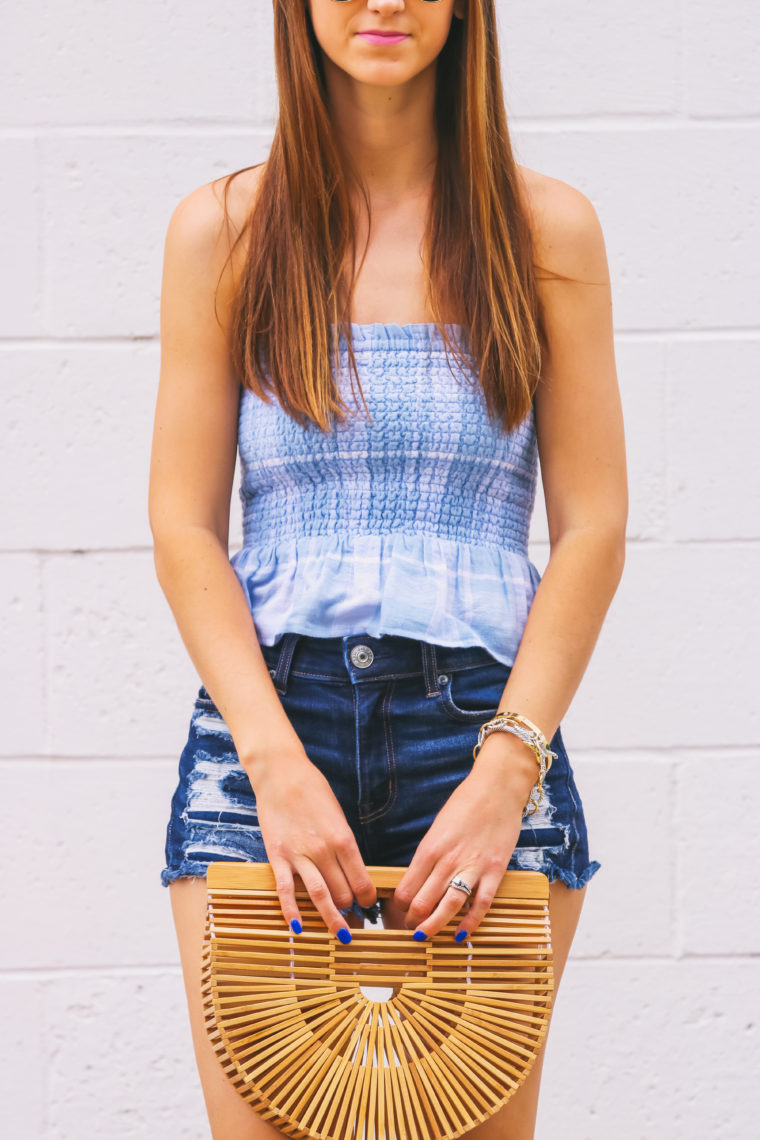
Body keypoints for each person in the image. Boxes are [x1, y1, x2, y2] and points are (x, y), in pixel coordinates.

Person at [148, 1, 627, 1137]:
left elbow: (595, 527)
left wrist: (507, 773)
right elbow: (182, 525)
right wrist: (274, 766)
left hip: (481, 745)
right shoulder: (225, 230)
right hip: (266, 742)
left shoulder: (546, 228)